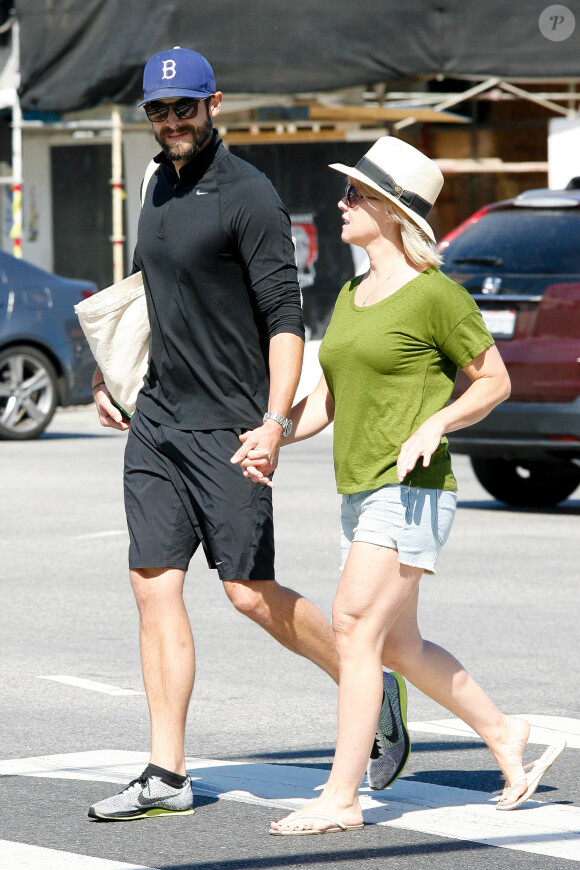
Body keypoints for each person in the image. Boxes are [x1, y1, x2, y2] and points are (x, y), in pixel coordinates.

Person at [87, 48, 407, 822]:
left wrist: (271, 421)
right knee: (151, 585)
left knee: (248, 593)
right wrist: (111, 374)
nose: (171, 122)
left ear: (215, 104)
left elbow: (285, 319)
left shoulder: (250, 195)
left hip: (230, 427)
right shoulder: (157, 184)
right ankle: (166, 772)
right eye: (159, 111)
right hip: (158, 420)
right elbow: (150, 291)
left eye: (184, 108)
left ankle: (367, 676)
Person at [234, 137, 567, 835]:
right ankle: (508, 735)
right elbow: (328, 397)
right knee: (397, 646)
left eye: (355, 194)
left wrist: (435, 423)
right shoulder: (355, 294)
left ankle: (342, 796)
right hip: (361, 489)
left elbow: (496, 381)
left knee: (353, 627)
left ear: (392, 211)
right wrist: (275, 433)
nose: (341, 203)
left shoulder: (436, 296)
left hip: (411, 489)